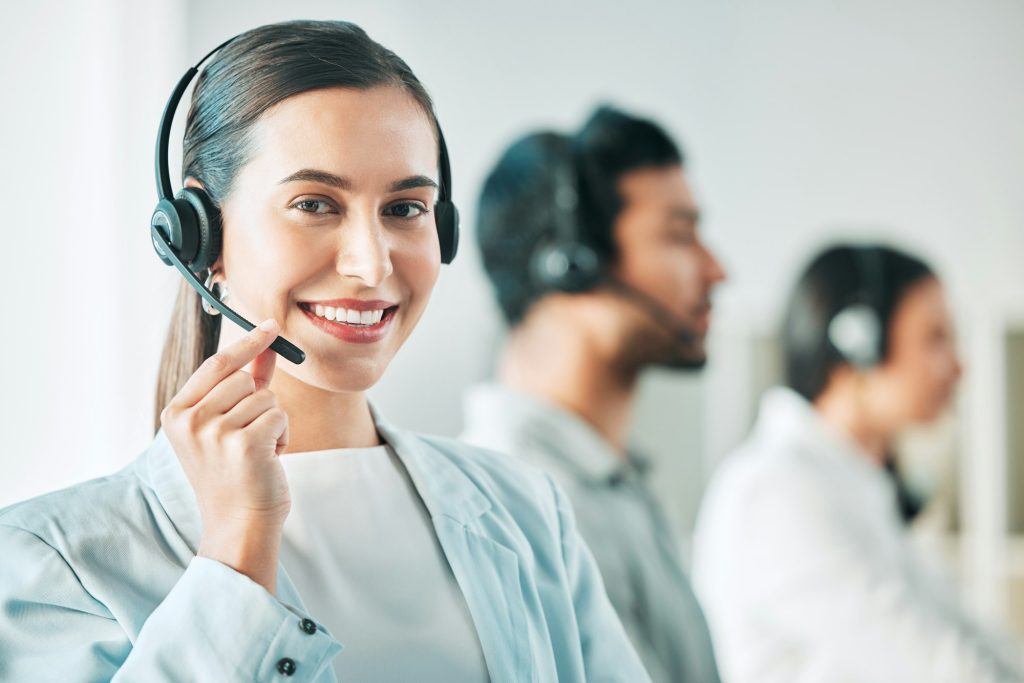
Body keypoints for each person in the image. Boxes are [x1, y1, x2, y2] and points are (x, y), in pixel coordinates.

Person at [0, 21, 650, 682]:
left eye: (404, 208)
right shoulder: (48, 563)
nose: (370, 264)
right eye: (315, 203)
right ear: (199, 237)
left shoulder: (523, 509)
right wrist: (236, 553)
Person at [462, 108, 727, 682]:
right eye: (679, 235)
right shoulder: (523, 499)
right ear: (571, 264)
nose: (716, 270)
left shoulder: (607, 481)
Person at [692, 244, 1024, 682]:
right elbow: (940, 670)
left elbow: (967, 637)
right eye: (935, 337)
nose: (959, 366)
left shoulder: (851, 481)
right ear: (858, 344)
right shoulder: (778, 491)